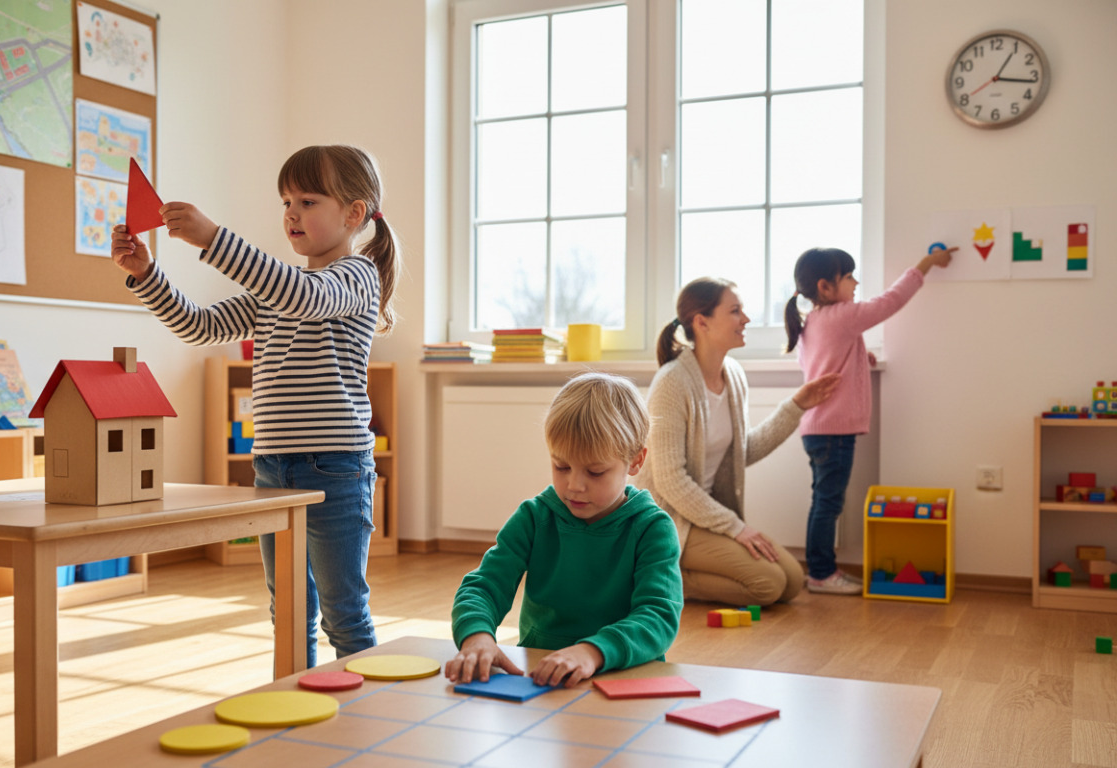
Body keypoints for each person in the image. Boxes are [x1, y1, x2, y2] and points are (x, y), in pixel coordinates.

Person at [110, 144, 401, 665]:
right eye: (286, 202)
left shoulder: (357, 277)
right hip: (272, 465)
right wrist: (147, 275)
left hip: (335, 468)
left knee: (343, 612)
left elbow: (306, 297)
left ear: (354, 213)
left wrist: (213, 239)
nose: (291, 213)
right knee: (286, 605)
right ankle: (292, 695)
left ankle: (366, 705)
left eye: (308, 201)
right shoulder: (277, 291)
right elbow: (200, 327)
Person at [445, 372, 683, 689]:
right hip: (542, 677)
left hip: (624, 677)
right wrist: (477, 637)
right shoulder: (534, 517)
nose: (574, 485)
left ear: (636, 461)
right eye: (562, 466)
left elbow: (658, 616)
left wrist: (592, 652)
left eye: (595, 472)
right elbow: (484, 586)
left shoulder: (653, 528)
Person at [635, 278, 840, 607]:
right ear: (701, 322)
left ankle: (665, 575)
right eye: (735, 311)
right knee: (768, 585)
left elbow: (742, 452)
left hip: (703, 514)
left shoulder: (733, 374)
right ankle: (648, 581)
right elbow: (670, 480)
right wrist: (735, 527)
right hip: (668, 520)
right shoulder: (672, 382)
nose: (746, 319)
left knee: (791, 581)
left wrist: (796, 406)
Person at [784, 246, 955, 595]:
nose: (856, 283)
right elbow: (891, 301)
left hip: (819, 429)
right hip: (834, 431)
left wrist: (861, 357)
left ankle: (821, 569)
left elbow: (826, 361)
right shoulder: (842, 316)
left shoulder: (814, 322)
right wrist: (925, 264)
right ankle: (821, 573)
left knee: (824, 501)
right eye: (849, 277)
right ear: (825, 287)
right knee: (828, 503)